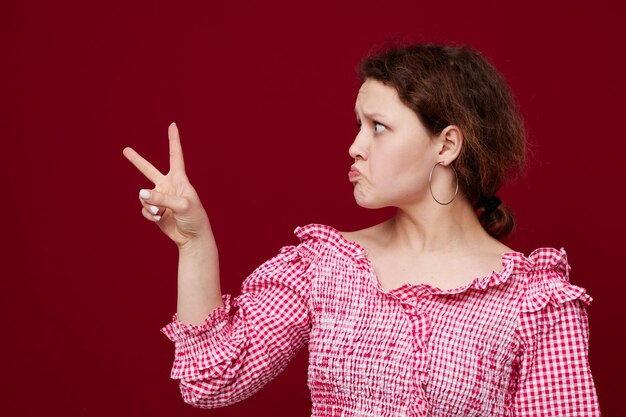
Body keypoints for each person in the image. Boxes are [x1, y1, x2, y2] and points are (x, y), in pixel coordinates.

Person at [123, 44, 600, 416]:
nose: (354, 146)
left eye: (377, 126)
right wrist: (194, 243)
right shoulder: (326, 265)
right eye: (357, 124)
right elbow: (210, 382)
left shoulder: (535, 301)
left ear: (447, 144)